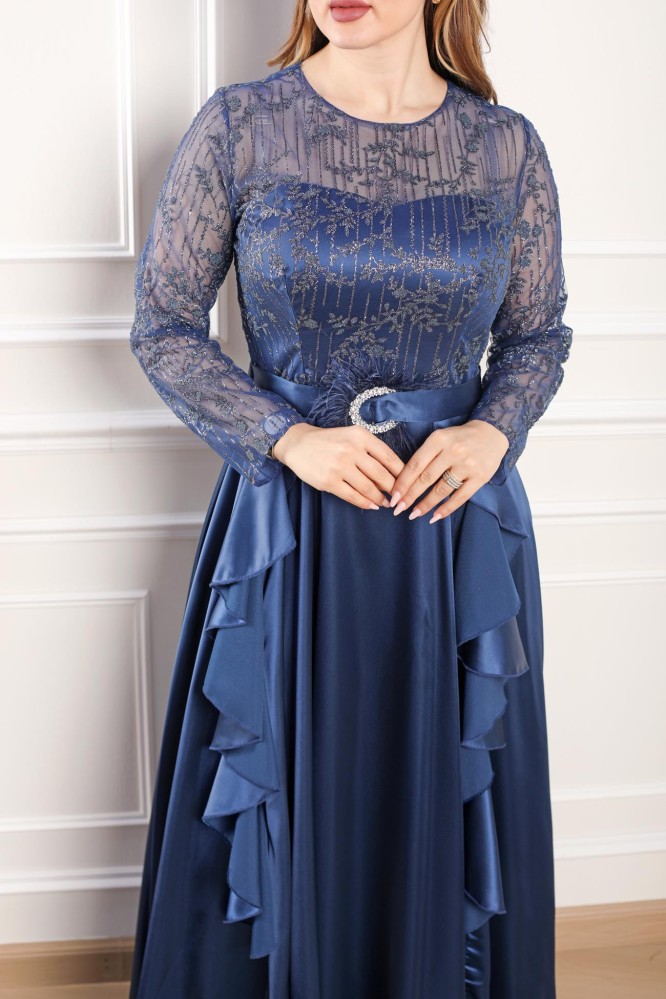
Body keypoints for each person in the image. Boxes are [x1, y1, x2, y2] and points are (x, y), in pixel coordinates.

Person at [127, 1, 572, 996]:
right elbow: (163, 325)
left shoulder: (507, 147)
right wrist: (287, 439)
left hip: (452, 532)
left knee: (440, 795)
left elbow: (538, 336)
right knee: (287, 794)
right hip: (291, 527)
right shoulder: (240, 125)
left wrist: (494, 428)